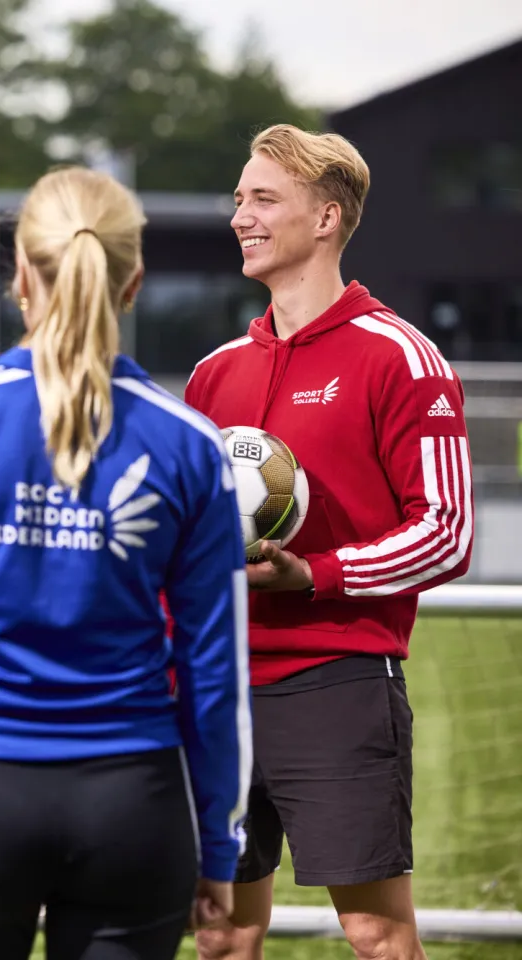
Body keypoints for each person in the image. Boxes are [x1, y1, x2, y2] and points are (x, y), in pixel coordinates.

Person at [0, 166, 251, 960]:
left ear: (19, 276)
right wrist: (219, 850)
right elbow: (215, 675)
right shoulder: (191, 445)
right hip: (136, 805)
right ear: (133, 283)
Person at [186, 125, 474, 960]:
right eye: (239, 198)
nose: (241, 215)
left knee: (377, 935)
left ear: (326, 218)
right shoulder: (214, 373)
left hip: (336, 685)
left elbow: (447, 532)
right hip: (219, 691)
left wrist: (312, 574)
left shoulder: (401, 357)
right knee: (224, 936)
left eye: (263, 198)